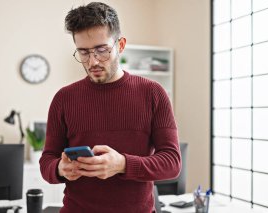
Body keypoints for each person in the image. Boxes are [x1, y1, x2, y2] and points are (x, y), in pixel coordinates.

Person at [39, 2, 181, 213]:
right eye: (83, 53)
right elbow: (47, 162)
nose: (92, 61)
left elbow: (172, 162)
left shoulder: (153, 93)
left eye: (102, 50)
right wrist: (60, 168)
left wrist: (122, 164)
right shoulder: (64, 98)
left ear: (120, 45)